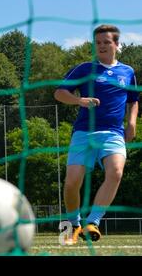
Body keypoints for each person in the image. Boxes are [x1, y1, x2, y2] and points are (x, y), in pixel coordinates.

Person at [54, 24, 139, 245]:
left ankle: (93, 223)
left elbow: (133, 101)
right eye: (98, 42)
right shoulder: (84, 69)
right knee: (72, 183)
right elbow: (60, 92)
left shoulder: (127, 72)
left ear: (117, 45)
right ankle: (74, 225)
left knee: (116, 172)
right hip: (83, 133)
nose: (101, 46)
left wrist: (131, 122)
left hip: (113, 133)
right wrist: (78, 100)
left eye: (106, 42)